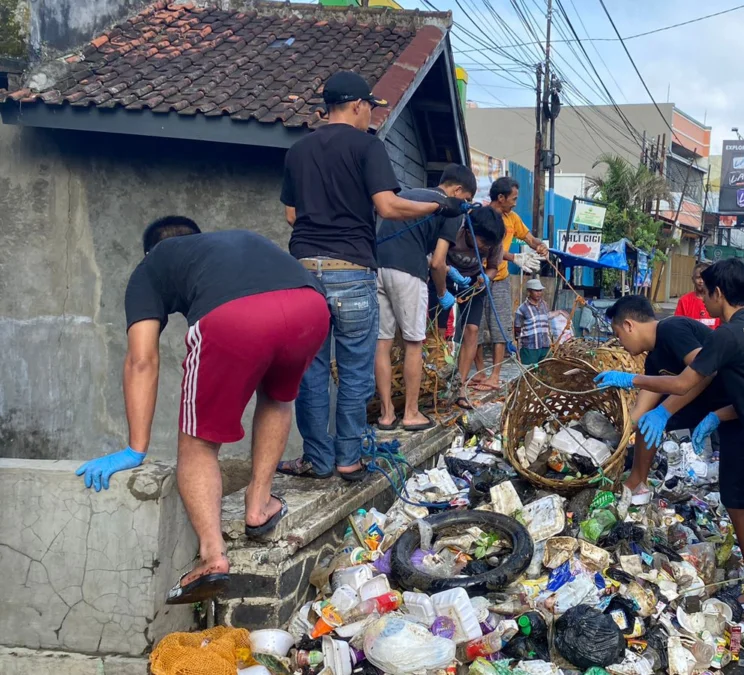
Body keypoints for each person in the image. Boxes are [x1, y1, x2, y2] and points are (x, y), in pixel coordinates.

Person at [597, 259, 744, 675]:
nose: (700, 299)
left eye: (704, 292)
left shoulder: (725, 333)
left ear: (720, 294)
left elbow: (689, 381)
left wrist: (628, 380)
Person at [74, 218, 329, 604]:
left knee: (198, 439)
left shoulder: (151, 266)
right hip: (310, 307)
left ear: (150, 251)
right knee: (277, 396)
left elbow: (141, 360)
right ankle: (259, 506)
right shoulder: (231, 243)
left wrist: (135, 448)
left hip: (234, 317)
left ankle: (212, 555)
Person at [277, 70, 463, 480]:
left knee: (310, 369)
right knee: (355, 366)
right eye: (369, 110)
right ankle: (347, 458)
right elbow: (388, 206)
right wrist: (437, 206)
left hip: (303, 270)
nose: (370, 117)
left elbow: (292, 214)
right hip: (351, 269)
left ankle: (318, 459)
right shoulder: (367, 146)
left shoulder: (299, 150)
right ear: (359, 105)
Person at [601, 294, 744, 620]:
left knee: (737, 501)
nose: (619, 342)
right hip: (714, 411)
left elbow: (703, 372)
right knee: (648, 427)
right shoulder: (654, 358)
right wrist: (618, 440)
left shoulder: (673, 328)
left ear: (629, 324)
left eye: (618, 334)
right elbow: (642, 410)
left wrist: (665, 411)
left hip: (738, 412)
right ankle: (635, 483)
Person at [373, 165, 477, 432]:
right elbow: (438, 262)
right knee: (413, 343)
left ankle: (386, 415)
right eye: (466, 200)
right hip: (407, 272)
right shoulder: (450, 207)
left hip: (377, 268)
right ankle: (411, 413)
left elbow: (416, 241)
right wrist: (443, 293)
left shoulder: (411, 194)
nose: (464, 207)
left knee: (382, 343)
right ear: (457, 191)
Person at [472, 177, 549, 391]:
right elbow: (486, 248)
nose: (515, 202)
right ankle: (480, 373)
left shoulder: (512, 218)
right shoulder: (482, 216)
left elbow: (529, 238)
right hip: (477, 278)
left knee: (501, 327)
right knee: (474, 326)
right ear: (500, 197)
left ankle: (494, 376)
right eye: (513, 198)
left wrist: (540, 246)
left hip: (500, 280)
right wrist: (514, 257)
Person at [449, 206, 507, 409]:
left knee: (472, 329)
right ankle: (436, 383)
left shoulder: (493, 241)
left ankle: (460, 386)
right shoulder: (455, 229)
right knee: (438, 331)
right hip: (445, 276)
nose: (484, 248)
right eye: (482, 243)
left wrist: (485, 278)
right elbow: (435, 257)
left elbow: (492, 267)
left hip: (474, 281)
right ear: (469, 230)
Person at [514, 278, 552, 366]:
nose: (539, 293)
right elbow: (517, 328)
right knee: (529, 372)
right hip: (530, 346)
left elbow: (548, 323)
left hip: (545, 345)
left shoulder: (544, 305)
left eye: (540, 290)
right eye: (536, 291)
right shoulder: (522, 308)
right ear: (529, 291)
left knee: (545, 371)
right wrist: (518, 347)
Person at [674, 261, 721, 328]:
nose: (701, 281)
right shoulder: (684, 301)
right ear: (693, 279)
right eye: (698, 277)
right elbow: (678, 325)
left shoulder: (717, 300)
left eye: (704, 278)